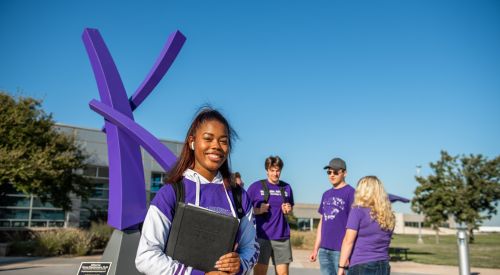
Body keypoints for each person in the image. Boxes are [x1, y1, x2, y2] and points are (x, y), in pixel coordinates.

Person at [135, 107, 259, 275]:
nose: (216, 146)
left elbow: (252, 248)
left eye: (223, 141)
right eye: (208, 138)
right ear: (192, 142)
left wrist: (240, 265)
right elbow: (146, 257)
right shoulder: (171, 193)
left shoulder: (239, 196)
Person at [338, 176, 395, 275]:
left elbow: (348, 241)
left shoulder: (357, 211)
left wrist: (341, 267)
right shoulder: (389, 215)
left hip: (362, 264)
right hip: (384, 265)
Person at [247, 156, 294, 275]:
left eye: (278, 170)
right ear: (267, 170)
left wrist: (288, 209)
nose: (275, 173)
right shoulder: (255, 187)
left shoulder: (286, 188)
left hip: (282, 237)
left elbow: (290, 207)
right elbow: (245, 211)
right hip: (262, 237)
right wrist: (258, 210)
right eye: (272, 170)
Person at [309, 157, 355, 275]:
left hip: (341, 251)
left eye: (335, 172)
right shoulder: (326, 194)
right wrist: (316, 249)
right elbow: (322, 222)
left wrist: (348, 253)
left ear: (344, 173)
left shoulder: (351, 193)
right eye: (329, 172)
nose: (332, 175)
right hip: (324, 250)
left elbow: (354, 226)